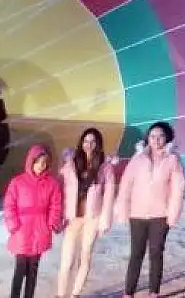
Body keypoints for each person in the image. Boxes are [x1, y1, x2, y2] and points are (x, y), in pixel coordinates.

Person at [116, 121, 185, 298]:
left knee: (156, 253)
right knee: (136, 254)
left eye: (160, 136)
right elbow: (126, 184)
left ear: (166, 138)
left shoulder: (173, 159)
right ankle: (128, 293)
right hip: (137, 214)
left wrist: (172, 214)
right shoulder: (138, 159)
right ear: (147, 138)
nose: (156, 139)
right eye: (153, 136)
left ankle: (153, 292)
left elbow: (179, 189)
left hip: (160, 215)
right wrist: (123, 209)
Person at [57, 127, 117, 298]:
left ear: (98, 144)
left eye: (93, 141)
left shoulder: (105, 166)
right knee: (66, 260)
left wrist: (105, 220)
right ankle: (61, 295)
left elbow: (109, 194)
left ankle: (75, 294)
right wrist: (59, 214)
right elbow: (61, 188)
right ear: (81, 143)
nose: (89, 145)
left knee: (85, 257)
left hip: (92, 218)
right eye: (85, 141)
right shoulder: (71, 163)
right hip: (72, 218)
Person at [3, 144, 63, 298]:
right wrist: (13, 225)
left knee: (33, 272)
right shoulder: (18, 182)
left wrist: (51, 223)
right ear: (31, 161)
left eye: (44, 162)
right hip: (22, 233)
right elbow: (9, 205)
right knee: (20, 270)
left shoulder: (52, 184)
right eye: (37, 162)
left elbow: (55, 205)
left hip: (40, 233)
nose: (41, 166)